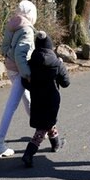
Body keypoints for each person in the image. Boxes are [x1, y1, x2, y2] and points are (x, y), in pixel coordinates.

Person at [0, 0, 37, 159]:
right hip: (20, 71)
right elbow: (21, 55)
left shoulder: (12, 24)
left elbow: (5, 48)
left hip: (10, 68)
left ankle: (41, 128)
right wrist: (28, 75)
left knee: (27, 99)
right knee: (11, 106)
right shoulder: (27, 30)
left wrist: (9, 56)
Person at [20, 31, 70, 168]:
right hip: (52, 99)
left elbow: (24, 82)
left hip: (37, 98)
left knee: (47, 122)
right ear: (50, 46)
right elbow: (66, 83)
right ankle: (28, 153)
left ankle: (56, 144)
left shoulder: (30, 64)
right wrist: (62, 66)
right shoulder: (56, 63)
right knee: (42, 128)